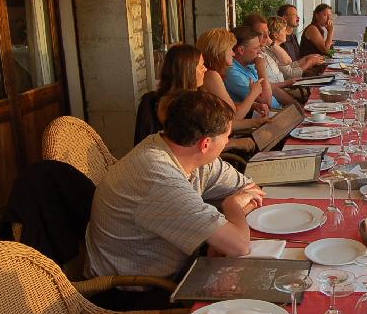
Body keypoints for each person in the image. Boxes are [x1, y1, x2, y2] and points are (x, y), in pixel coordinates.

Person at [85, 90, 265, 284]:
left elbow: (251, 189)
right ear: (205, 144)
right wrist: (232, 206)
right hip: (136, 289)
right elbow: (240, 245)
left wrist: (217, 235)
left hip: (177, 267)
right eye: (227, 136)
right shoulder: (159, 178)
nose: (228, 142)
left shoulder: (177, 148)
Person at [134, 43, 206, 145]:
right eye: (201, 66)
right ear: (188, 71)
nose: (205, 69)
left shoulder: (148, 100)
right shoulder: (192, 105)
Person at [198, 27, 267, 125]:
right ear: (219, 52)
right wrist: (253, 94)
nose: (233, 53)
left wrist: (253, 106)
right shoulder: (211, 75)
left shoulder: (214, 73)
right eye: (230, 49)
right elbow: (234, 116)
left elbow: (223, 106)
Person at [242, 13, 300, 106]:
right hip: (277, 100)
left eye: (268, 33)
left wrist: (270, 41)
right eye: (261, 33)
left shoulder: (265, 49)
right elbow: (266, 97)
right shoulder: (250, 57)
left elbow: (288, 61)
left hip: (281, 95)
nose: (266, 36)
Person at [225, 26, 280, 109]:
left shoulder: (248, 64)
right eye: (256, 48)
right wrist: (261, 69)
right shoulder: (232, 73)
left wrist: (293, 102)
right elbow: (266, 102)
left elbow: (272, 88)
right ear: (241, 50)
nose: (260, 51)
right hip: (268, 113)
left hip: (279, 109)